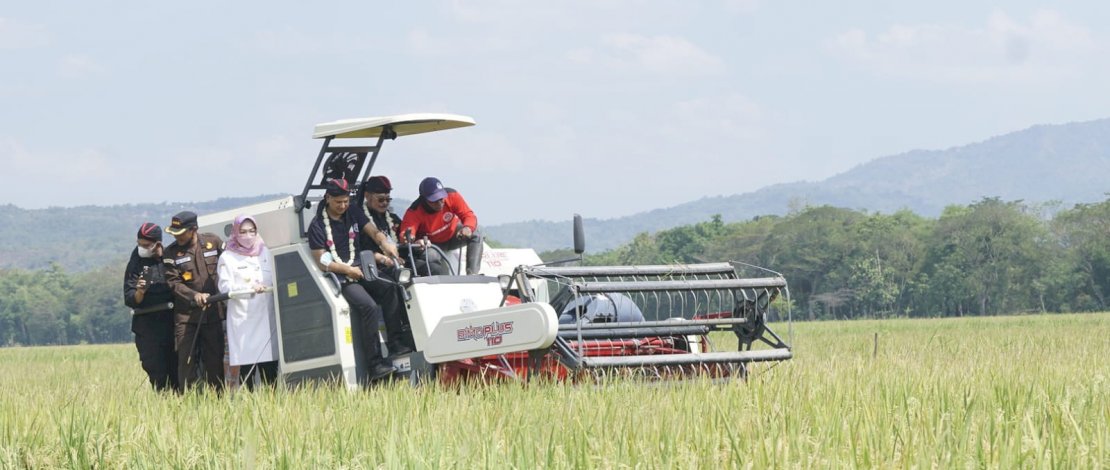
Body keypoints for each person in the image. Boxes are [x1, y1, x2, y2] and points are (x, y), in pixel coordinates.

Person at [307, 178, 398, 382]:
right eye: (338, 202)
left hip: (362, 268)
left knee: (391, 288)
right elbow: (322, 259)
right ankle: (374, 364)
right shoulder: (318, 225)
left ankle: (396, 345)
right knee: (369, 307)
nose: (343, 206)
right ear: (328, 198)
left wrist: (385, 243)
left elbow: (373, 232)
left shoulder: (353, 212)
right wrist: (347, 269)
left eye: (346, 201)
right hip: (342, 277)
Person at [163, 211, 226, 391]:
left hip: (214, 314)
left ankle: (217, 401)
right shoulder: (170, 253)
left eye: (181, 232)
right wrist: (194, 295)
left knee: (214, 362)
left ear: (194, 229)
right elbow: (173, 283)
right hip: (187, 317)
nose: (177, 236)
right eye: (174, 233)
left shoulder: (213, 242)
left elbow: (229, 263)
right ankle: (188, 401)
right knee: (186, 361)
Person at [217, 215, 278, 389]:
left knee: (270, 371)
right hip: (243, 321)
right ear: (235, 233)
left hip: (266, 319)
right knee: (247, 372)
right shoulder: (228, 257)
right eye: (243, 232)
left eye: (252, 231)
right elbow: (225, 286)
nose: (248, 235)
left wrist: (266, 286)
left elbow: (274, 277)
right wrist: (249, 287)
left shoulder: (265, 252)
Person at [357, 176, 415, 356]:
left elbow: (402, 236)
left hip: (394, 263)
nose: (384, 203)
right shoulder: (360, 218)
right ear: (367, 196)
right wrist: (383, 258)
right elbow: (360, 251)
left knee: (420, 272)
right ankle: (395, 341)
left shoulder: (390, 217)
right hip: (369, 266)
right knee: (391, 286)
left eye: (387, 200)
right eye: (380, 199)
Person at [123, 222, 181, 393]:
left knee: (177, 368)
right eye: (139, 244)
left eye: (146, 245)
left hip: (172, 322)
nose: (142, 248)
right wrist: (141, 291)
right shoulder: (136, 262)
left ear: (158, 244)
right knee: (156, 369)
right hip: (147, 325)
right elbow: (129, 297)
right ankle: (163, 400)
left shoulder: (171, 257)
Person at [399, 177, 483, 275]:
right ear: (424, 199)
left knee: (477, 230)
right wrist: (413, 239)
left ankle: (472, 274)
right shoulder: (414, 212)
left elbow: (468, 215)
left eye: (441, 198)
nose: (440, 203)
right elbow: (405, 234)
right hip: (432, 245)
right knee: (430, 256)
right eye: (434, 200)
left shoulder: (452, 195)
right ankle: (440, 279)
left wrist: (467, 227)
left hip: (453, 236)